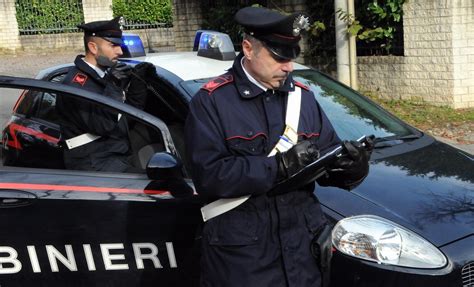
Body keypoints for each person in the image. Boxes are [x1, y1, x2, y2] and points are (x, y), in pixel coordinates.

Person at [184, 6, 372, 287]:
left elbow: (327, 160)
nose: (288, 66)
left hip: (302, 251)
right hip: (244, 258)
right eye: (278, 56)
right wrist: (278, 167)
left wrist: (353, 168)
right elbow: (209, 176)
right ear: (248, 48)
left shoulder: (303, 98)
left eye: (292, 55)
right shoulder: (212, 101)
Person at [57, 16, 155, 172]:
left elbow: (127, 117)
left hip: (116, 155)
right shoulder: (76, 84)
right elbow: (102, 125)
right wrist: (114, 86)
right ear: (93, 48)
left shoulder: (106, 75)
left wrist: (139, 83)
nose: (120, 51)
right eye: (113, 45)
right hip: (93, 163)